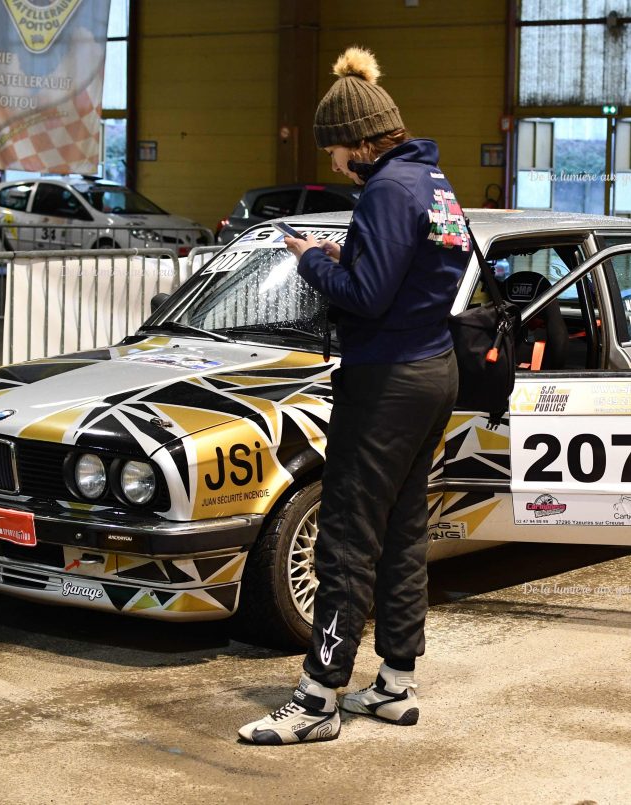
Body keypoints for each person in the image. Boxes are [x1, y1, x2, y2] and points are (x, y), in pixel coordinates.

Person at [238, 46, 471, 745]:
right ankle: (396, 682)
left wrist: (311, 259)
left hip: (388, 379)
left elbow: (367, 299)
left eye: (335, 150)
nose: (334, 164)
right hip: (434, 367)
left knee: (345, 537)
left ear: (358, 140)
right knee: (401, 530)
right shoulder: (433, 183)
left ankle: (317, 697)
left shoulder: (386, 191)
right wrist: (354, 258)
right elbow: (420, 272)